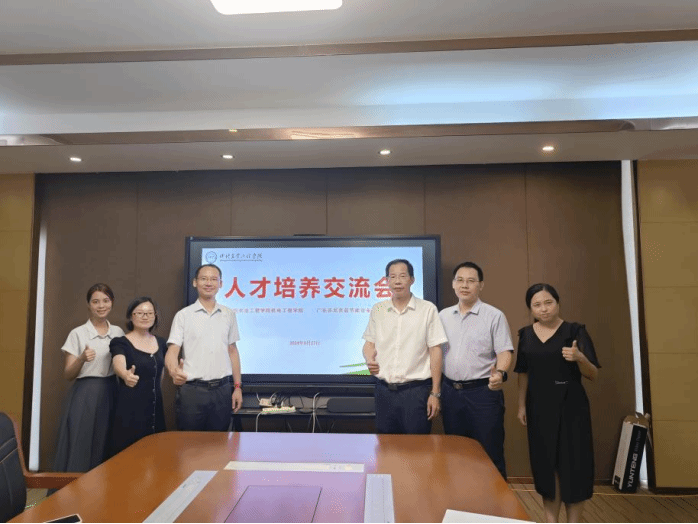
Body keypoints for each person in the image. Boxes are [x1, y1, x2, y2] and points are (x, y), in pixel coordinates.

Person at [514, 283, 600, 524]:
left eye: (548, 302)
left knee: (574, 467)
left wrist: (580, 358)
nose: (543, 309)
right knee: (546, 468)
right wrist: (521, 405)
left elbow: (593, 374)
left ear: (558, 303)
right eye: (537, 305)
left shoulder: (575, 331)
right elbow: (523, 373)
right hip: (539, 408)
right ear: (530, 308)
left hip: (572, 408)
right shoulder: (526, 335)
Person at [439, 261, 514, 479]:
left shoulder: (494, 315)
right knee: (455, 453)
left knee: (489, 453)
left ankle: (495, 501)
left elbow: (505, 351)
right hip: (450, 392)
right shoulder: (443, 316)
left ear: (480, 285)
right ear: (453, 284)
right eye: (460, 280)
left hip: (483, 394)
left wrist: (500, 373)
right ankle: (461, 499)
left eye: (471, 281)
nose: (465, 285)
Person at [362, 259, 448, 435]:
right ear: (387, 281)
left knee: (417, 447)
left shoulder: (427, 309)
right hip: (384, 391)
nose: (397, 281)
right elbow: (369, 343)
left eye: (402, 276)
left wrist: (435, 393)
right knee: (385, 445)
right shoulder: (378, 309)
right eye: (392, 277)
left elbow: (435, 350)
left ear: (412, 280)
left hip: (415, 393)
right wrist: (369, 358)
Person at [53, 283, 124, 473]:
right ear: (88, 304)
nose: (101, 306)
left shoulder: (118, 332)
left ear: (112, 302)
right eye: (95, 301)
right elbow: (68, 374)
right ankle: (77, 489)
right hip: (85, 395)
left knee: (108, 442)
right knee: (81, 443)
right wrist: (81, 359)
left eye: (106, 301)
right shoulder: (77, 333)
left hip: (112, 391)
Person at [166, 264, 243, 431]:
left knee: (220, 442)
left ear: (220, 284)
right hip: (192, 391)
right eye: (204, 279)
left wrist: (237, 387)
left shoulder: (229, 314)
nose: (209, 283)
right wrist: (173, 371)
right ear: (195, 282)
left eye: (213, 279)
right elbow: (172, 350)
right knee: (189, 442)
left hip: (222, 391)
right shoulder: (183, 315)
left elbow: (232, 351)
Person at [109, 297, 167, 455]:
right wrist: (125, 374)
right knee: (130, 455)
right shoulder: (120, 342)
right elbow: (118, 364)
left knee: (155, 455)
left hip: (155, 408)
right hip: (131, 409)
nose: (145, 316)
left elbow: (161, 375)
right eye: (140, 313)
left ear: (155, 316)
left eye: (149, 313)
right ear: (131, 316)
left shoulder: (161, 343)